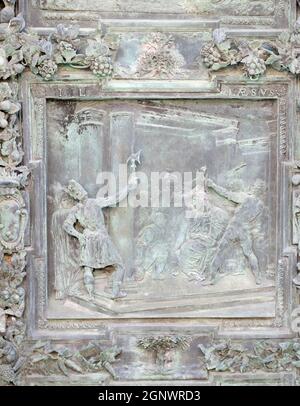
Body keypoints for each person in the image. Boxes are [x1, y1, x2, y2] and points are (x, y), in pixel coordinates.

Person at [63, 173, 138, 300]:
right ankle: (115, 293)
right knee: (119, 265)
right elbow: (115, 198)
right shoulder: (94, 202)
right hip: (101, 238)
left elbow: (67, 225)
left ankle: (91, 295)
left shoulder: (75, 209)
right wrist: (129, 187)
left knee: (88, 268)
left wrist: (79, 235)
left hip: (88, 239)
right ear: (80, 192)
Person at [207, 178, 266, 284]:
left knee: (220, 251)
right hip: (245, 230)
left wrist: (213, 185)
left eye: (253, 186)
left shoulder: (244, 197)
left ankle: (211, 279)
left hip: (234, 228)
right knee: (249, 253)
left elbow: (226, 194)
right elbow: (256, 222)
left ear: (254, 188)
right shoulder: (260, 205)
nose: (251, 187)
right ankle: (258, 277)